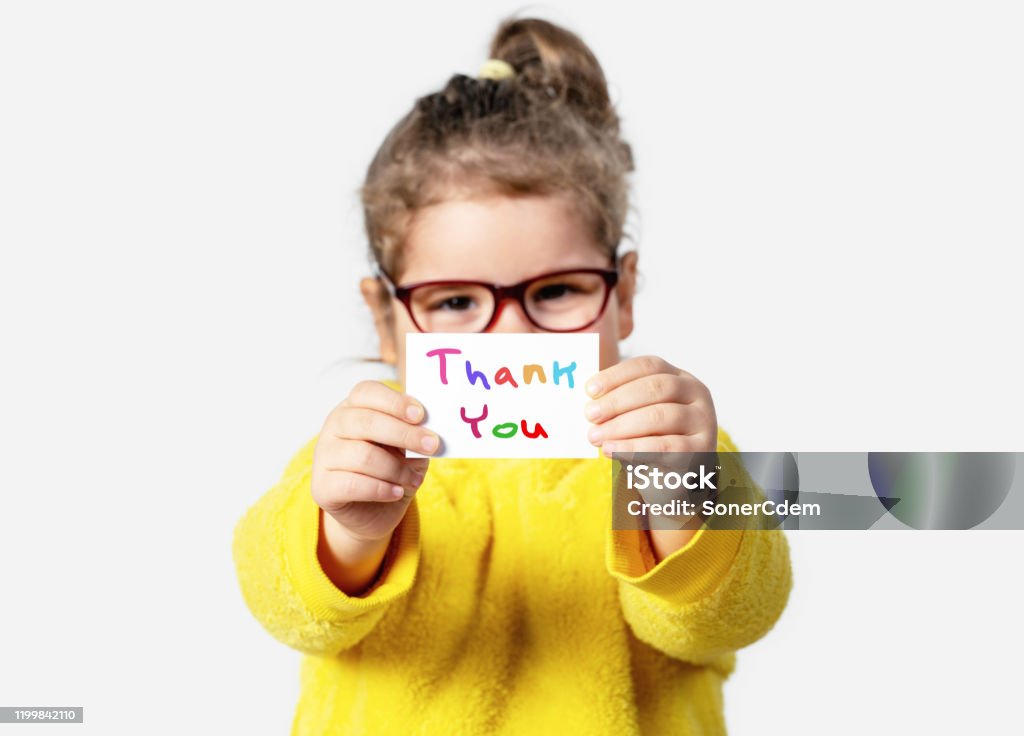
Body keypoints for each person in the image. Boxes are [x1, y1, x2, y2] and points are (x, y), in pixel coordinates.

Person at [233, 16, 791, 735]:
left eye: (556, 291)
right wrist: (348, 533)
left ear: (621, 294)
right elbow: (284, 605)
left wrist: (679, 501)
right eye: (457, 301)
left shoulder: (671, 445)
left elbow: (731, 618)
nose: (511, 332)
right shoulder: (359, 454)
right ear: (386, 318)